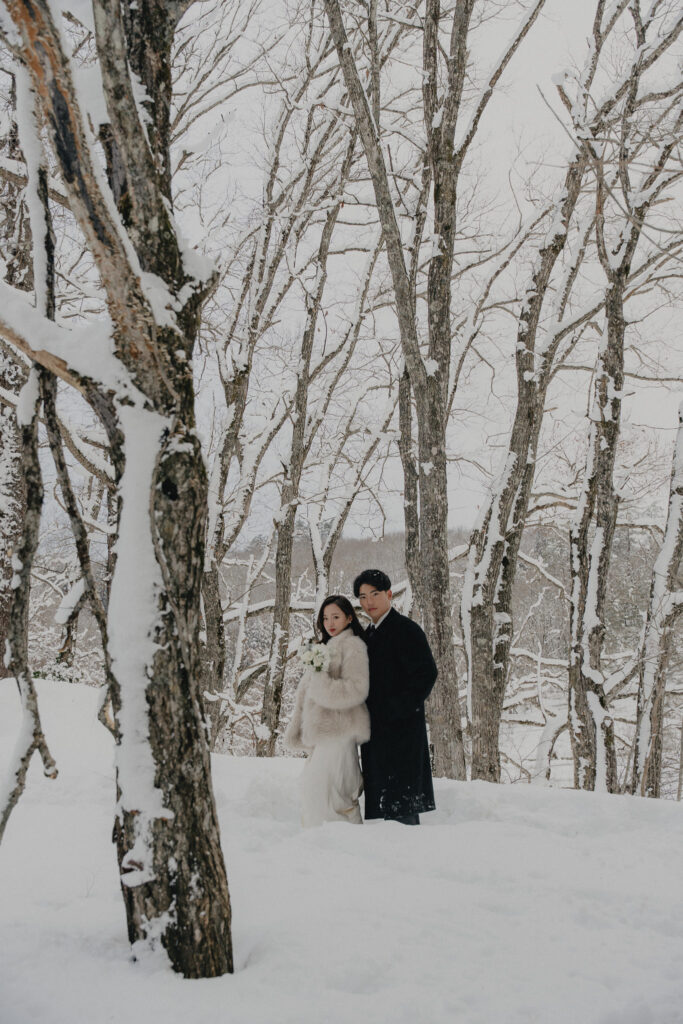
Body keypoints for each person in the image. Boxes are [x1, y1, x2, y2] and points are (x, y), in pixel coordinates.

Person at [353, 569, 437, 825]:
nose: (369, 602)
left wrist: (396, 709)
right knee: (383, 811)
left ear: (389, 594)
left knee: (402, 808)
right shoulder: (369, 634)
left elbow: (426, 674)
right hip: (376, 734)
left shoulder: (406, 630)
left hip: (402, 733)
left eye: (375, 594)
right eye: (363, 597)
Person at [284, 595, 370, 826]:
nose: (329, 623)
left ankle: (342, 842)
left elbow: (357, 689)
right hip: (325, 733)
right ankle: (320, 841)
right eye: (325, 618)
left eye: (336, 617)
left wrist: (321, 679)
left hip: (340, 731)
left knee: (334, 791)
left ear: (349, 618)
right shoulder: (326, 647)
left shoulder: (353, 646)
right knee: (318, 787)